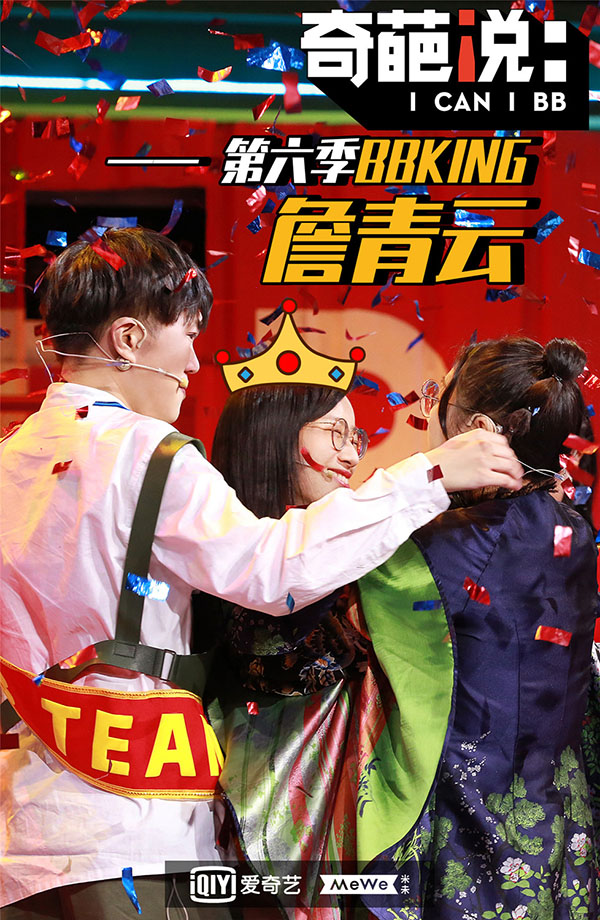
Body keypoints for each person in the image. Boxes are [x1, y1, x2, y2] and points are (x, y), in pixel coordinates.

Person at [0, 227, 523, 919]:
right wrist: (427, 475)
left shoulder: (12, 457)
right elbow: (274, 570)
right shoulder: (150, 454)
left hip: (22, 828)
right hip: (132, 831)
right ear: (128, 339)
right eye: (187, 335)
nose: (194, 362)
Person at [205, 336, 599, 920]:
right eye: (334, 433)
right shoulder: (573, 532)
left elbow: (270, 641)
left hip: (458, 843)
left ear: (478, 429)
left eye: (438, 397)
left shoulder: (430, 548)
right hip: (559, 845)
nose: (350, 453)